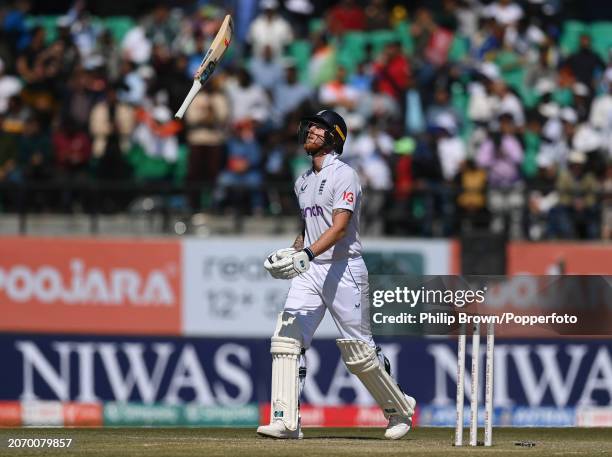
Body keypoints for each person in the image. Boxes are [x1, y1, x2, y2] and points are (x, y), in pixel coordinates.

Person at [257, 110, 416, 440]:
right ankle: (286, 420)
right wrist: (293, 253)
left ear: (334, 137)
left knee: (359, 352)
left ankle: (399, 408)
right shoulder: (303, 181)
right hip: (310, 271)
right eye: (310, 127)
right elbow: (307, 228)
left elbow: (340, 228)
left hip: (344, 269)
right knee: (287, 339)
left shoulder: (344, 175)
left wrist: (307, 254)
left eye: (318, 128)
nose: (311, 132)